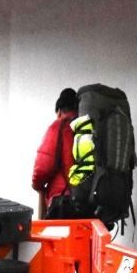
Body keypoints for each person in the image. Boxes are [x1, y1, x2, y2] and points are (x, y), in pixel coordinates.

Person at [32, 87, 79, 217]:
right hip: (90, 203)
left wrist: (36, 184)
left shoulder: (59, 127)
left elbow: (43, 167)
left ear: (59, 110)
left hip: (64, 202)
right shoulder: (87, 128)